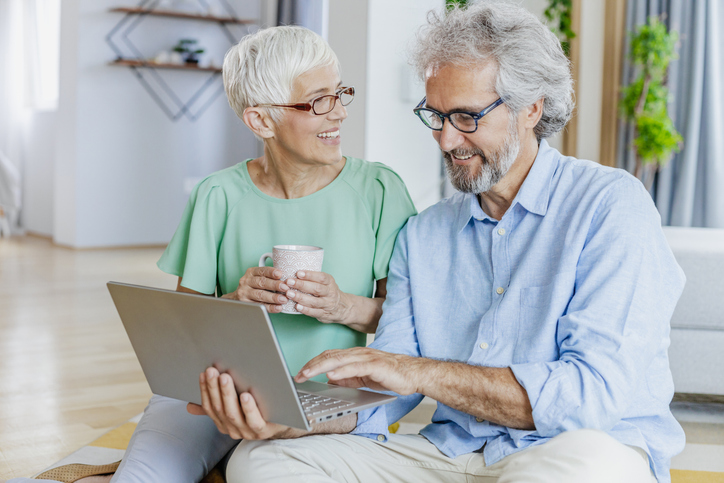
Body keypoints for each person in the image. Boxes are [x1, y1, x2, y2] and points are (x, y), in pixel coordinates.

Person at [197, 3, 686, 483]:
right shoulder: (423, 234)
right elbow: (385, 393)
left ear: (531, 107)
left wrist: (419, 372)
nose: (447, 141)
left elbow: (588, 398)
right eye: (436, 116)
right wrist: (296, 420)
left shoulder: (608, 205)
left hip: (570, 449)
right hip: (448, 456)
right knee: (259, 461)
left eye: (467, 117)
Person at [9, 26, 416, 483]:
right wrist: (237, 303)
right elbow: (186, 329)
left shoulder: (380, 190)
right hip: (220, 387)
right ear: (260, 121)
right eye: (318, 100)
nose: (338, 112)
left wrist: (343, 306)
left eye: (340, 93)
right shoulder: (217, 194)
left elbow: (406, 329)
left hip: (328, 397)